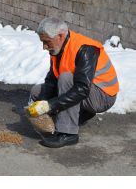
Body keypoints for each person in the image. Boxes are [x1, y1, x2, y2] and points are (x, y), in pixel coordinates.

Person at [27, 17, 119, 148]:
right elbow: (52, 80)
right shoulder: (57, 49)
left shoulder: (85, 49)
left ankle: (68, 134)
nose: (44, 47)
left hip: (103, 96)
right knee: (37, 91)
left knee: (66, 78)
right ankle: (80, 115)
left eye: (47, 42)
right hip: (85, 91)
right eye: (42, 42)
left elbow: (82, 89)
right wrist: (40, 103)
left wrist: (50, 105)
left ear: (59, 36)